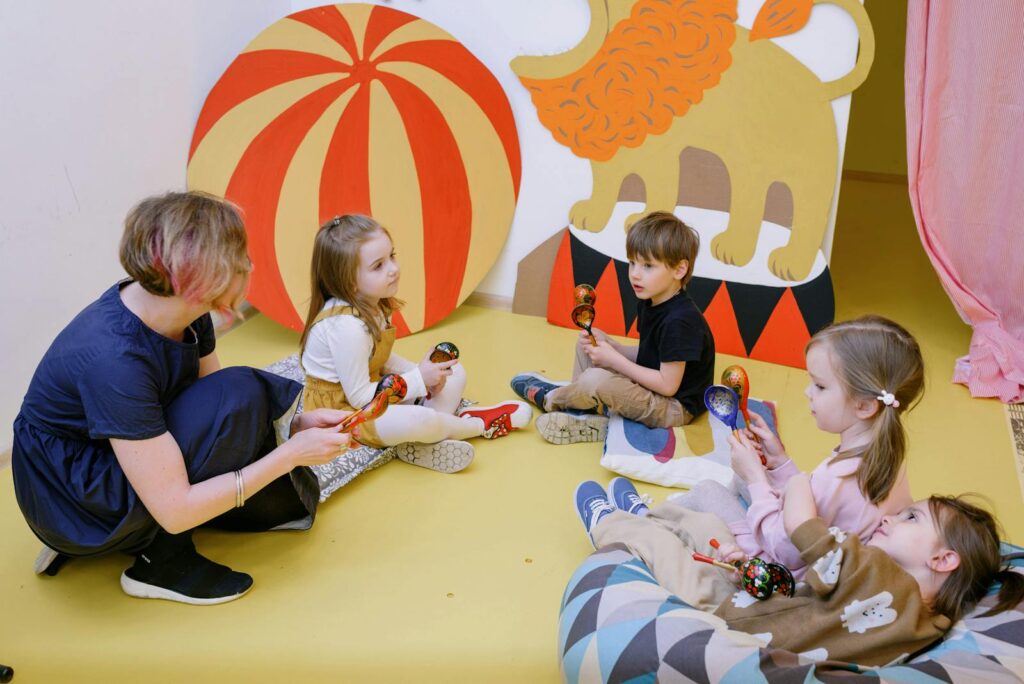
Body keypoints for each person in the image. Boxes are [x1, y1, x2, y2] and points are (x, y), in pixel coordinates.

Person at [11, 191, 354, 605]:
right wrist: (290, 455)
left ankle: (131, 515)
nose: (249, 265)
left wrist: (294, 426)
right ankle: (156, 560)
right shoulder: (114, 359)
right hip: (69, 496)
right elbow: (176, 509)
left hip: (107, 451)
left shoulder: (181, 311)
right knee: (242, 429)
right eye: (237, 257)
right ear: (195, 276)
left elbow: (218, 409)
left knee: (242, 396)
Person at [574, 477, 1024, 667]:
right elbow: (817, 603)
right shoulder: (932, 625)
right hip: (767, 613)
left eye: (910, 519)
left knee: (667, 547)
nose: (888, 518)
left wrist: (794, 483)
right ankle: (650, 515)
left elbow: (804, 527)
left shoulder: (875, 569)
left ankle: (613, 523)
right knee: (710, 530)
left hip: (725, 618)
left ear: (943, 560)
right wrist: (753, 572)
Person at [676, 315, 923, 580]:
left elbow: (786, 550)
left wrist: (757, 479)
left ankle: (647, 520)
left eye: (820, 385)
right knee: (741, 479)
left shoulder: (837, 476)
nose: (807, 392)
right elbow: (812, 507)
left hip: (781, 571)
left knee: (708, 491)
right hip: (816, 553)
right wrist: (780, 463)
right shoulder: (887, 455)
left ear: (864, 406)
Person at [299, 215, 530, 472]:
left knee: (455, 374)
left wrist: (423, 375)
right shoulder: (347, 327)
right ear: (348, 282)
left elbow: (380, 358)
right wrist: (418, 379)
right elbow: (360, 397)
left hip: (377, 393)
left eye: (392, 256)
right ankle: (477, 425)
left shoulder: (372, 304)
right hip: (347, 413)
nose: (393, 268)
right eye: (378, 266)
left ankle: (425, 440)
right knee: (422, 419)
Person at [511, 211, 714, 445]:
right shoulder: (653, 302)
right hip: (656, 391)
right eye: (632, 263)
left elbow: (668, 385)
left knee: (595, 380)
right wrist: (614, 347)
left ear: (679, 270)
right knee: (589, 343)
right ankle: (581, 409)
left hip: (673, 409)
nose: (635, 274)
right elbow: (651, 356)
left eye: (648, 265)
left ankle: (552, 398)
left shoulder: (680, 321)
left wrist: (615, 360)